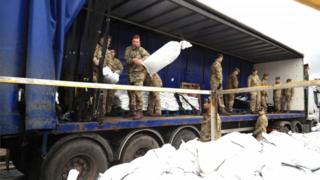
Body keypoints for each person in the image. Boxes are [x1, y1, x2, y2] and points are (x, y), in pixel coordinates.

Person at [124, 35, 150, 119]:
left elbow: (148, 56)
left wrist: (141, 61)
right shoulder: (128, 49)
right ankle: (132, 111)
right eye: (135, 42)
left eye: (138, 42)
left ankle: (139, 111)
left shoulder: (141, 49)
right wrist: (133, 60)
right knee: (130, 93)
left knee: (138, 92)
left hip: (139, 74)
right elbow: (126, 59)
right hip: (131, 74)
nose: (136, 43)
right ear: (132, 42)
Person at [102, 48, 123, 115]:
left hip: (113, 82)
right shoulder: (105, 60)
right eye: (110, 52)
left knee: (111, 97)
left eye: (113, 52)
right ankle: (103, 111)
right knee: (103, 97)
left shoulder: (117, 61)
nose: (111, 53)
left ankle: (109, 111)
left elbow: (121, 69)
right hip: (105, 81)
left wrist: (116, 72)